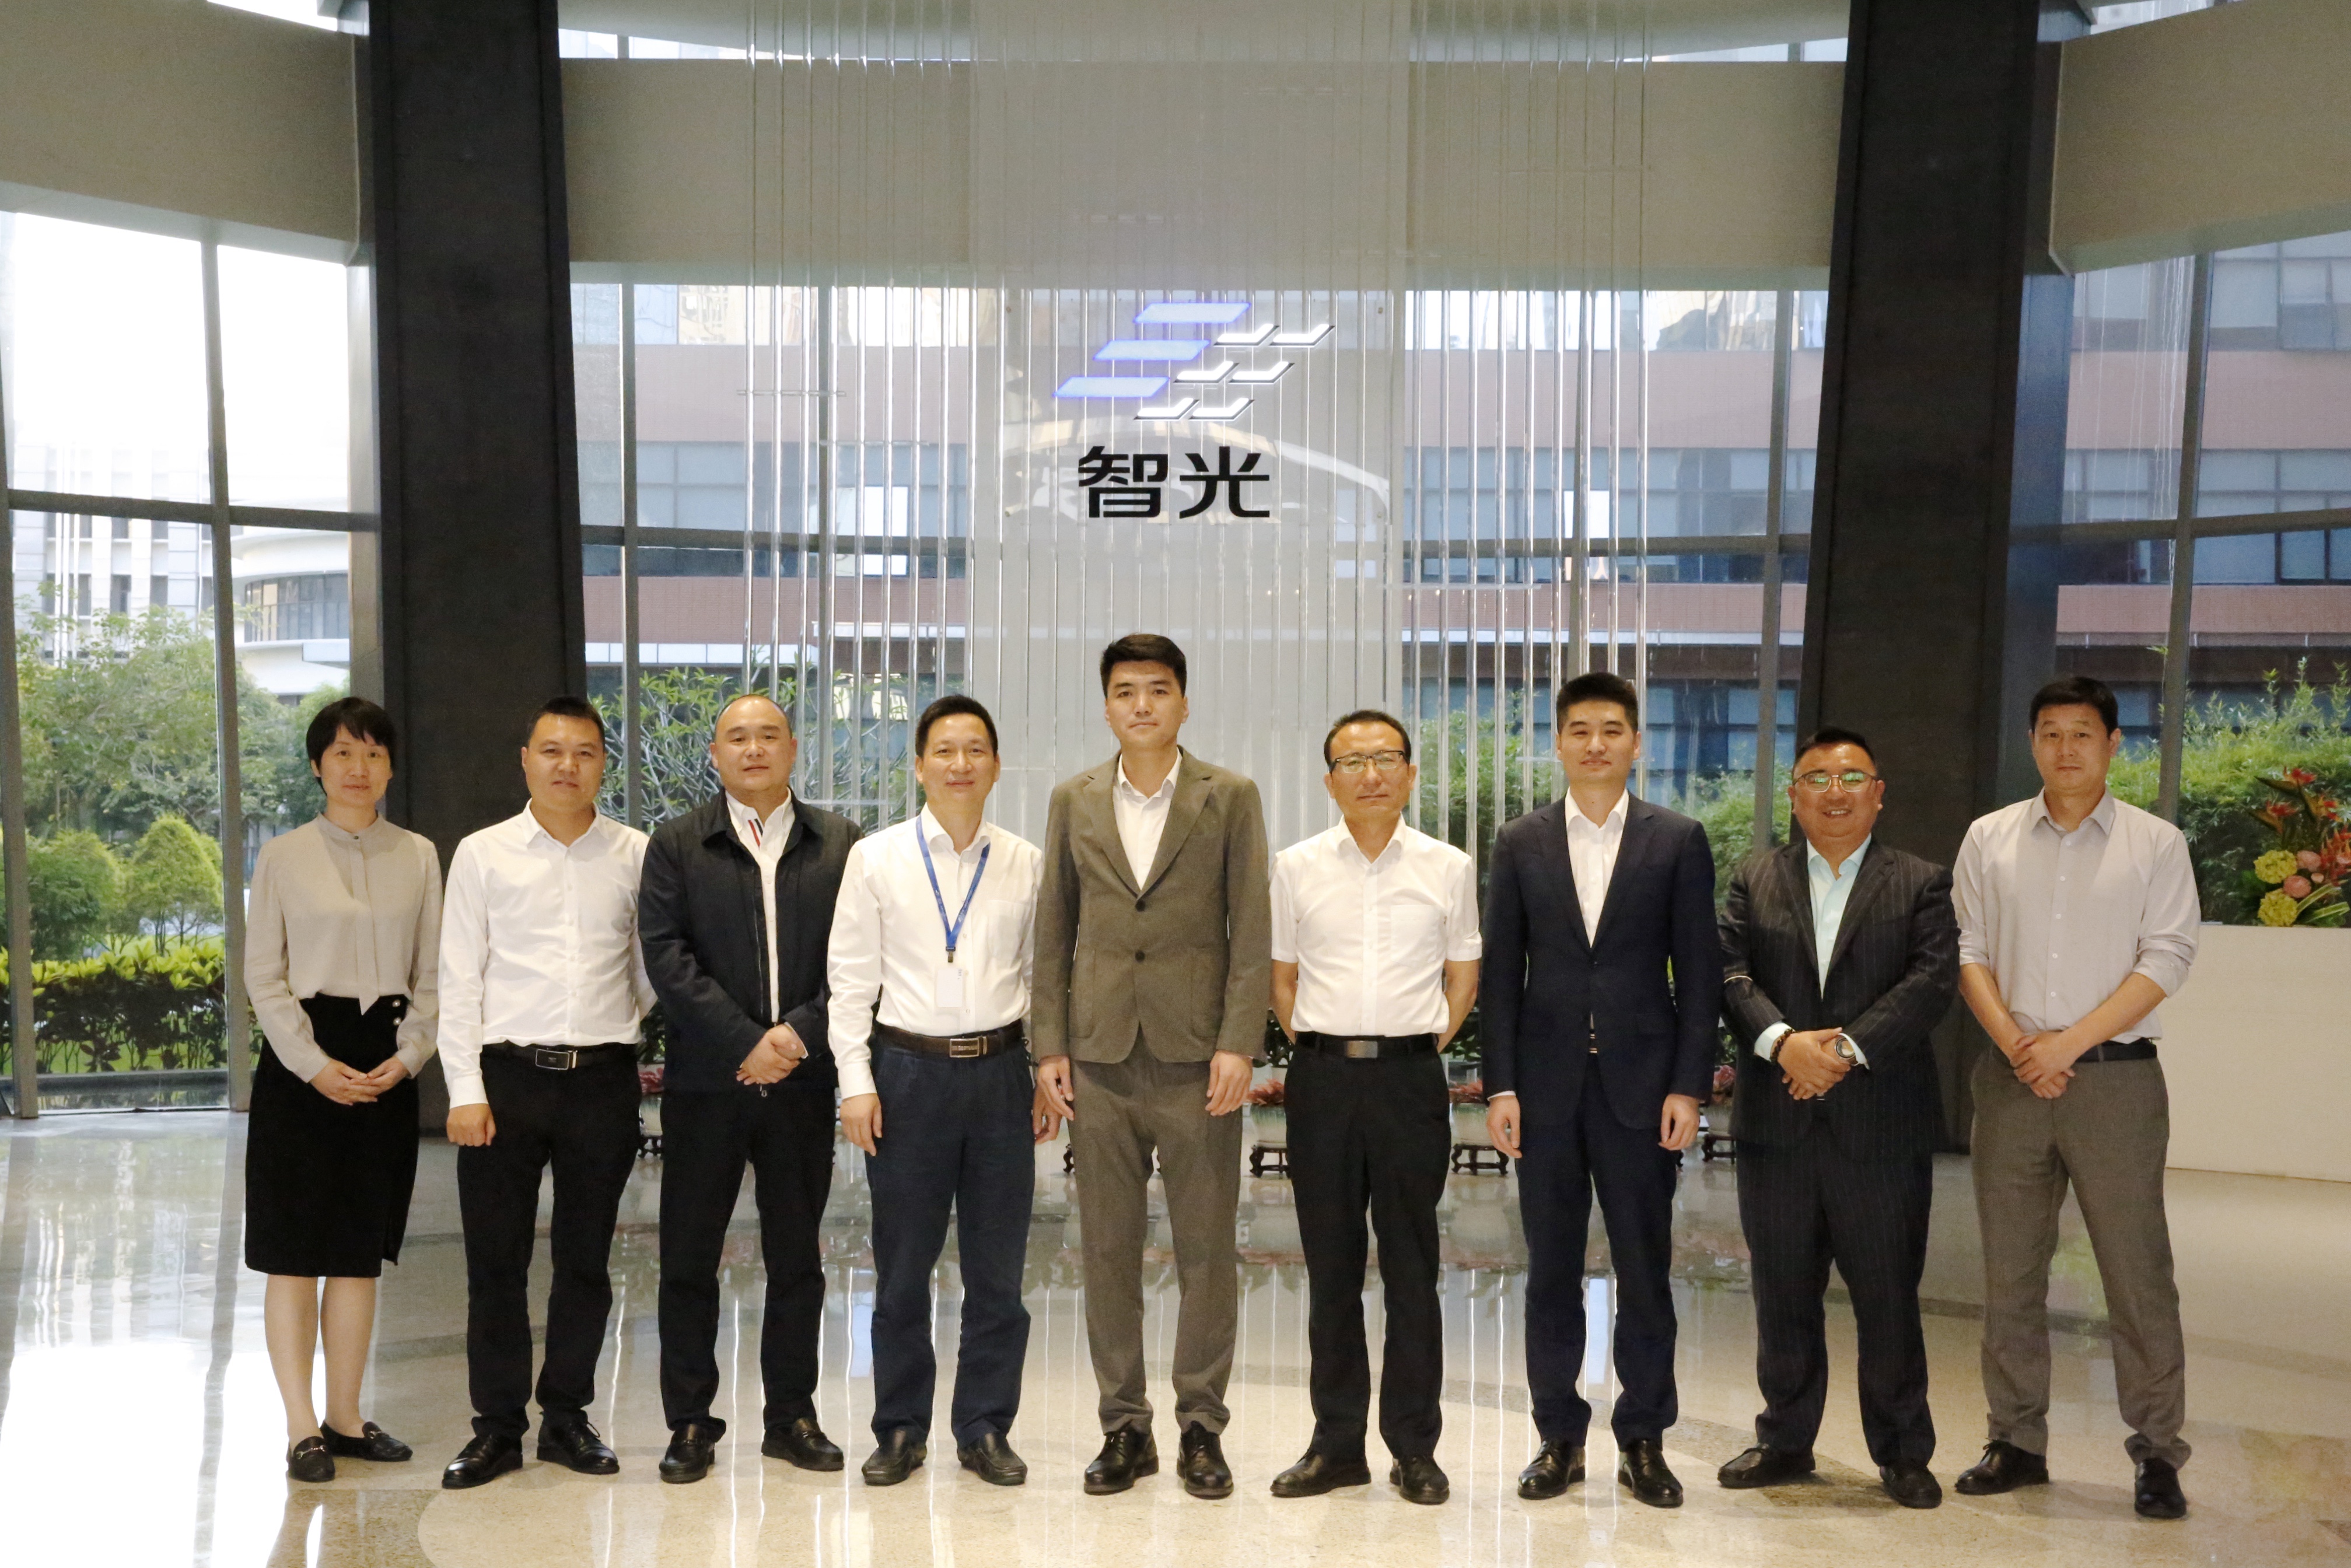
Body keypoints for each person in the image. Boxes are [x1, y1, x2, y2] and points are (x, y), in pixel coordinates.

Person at [1951, 675, 2200, 1521]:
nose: (2066, 748)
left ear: (2113, 744)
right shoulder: (1988, 838)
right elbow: (1968, 951)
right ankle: (2016, 1440)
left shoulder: (2155, 844)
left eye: (2082, 733)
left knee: (2136, 1273)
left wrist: (2067, 1043)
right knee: (2009, 1272)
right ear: (2032, 742)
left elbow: (2166, 958)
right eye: (2051, 732)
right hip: (2011, 1080)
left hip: (2115, 1083)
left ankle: (2157, 1452)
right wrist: (2019, 1046)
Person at [1032, 633, 1272, 1500]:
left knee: (1206, 1250)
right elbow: (1053, 929)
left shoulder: (1229, 796)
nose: (1142, 704)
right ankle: (1123, 1427)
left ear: (1183, 703)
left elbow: (1251, 926)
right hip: (1098, 1055)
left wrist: (1238, 1042)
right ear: (1106, 707)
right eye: (1126, 691)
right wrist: (1048, 1046)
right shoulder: (1073, 799)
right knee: (1107, 1249)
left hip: (1198, 1059)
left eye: (1158, 689)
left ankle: (1201, 1426)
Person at [1481, 669, 1720, 1509]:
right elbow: (1501, 976)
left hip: (1642, 1088)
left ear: (1635, 743)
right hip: (1544, 1089)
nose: (1595, 744)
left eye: (1611, 730)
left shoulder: (1676, 839)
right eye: (1579, 730)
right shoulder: (1519, 841)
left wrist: (1688, 1085)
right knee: (1549, 1271)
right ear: (1558, 743)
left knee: (1645, 1270)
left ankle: (1644, 1439)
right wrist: (1500, 1086)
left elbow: (1699, 973)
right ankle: (1558, 1437)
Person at [1716, 726, 1959, 1508]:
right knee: (1781, 1293)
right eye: (1816, 778)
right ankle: (1785, 1440)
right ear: (1793, 795)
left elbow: (1930, 982)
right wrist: (1784, 1044)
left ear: (1878, 794)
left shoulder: (1920, 882)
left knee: (1888, 1296)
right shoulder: (1754, 878)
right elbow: (1728, 973)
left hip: (1880, 1128)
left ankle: (1902, 1451)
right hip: (1775, 1126)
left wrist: (1844, 1051)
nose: (1834, 791)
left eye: (1851, 777)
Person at [828, 694, 1058, 1489]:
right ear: (920, 765)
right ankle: (899, 1427)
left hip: (999, 1076)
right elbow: (849, 982)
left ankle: (985, 1426)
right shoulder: (877, 858)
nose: (961, 764)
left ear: (995, 766)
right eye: (945, 751)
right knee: (902, 1269)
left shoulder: (1027, 862)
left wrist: (1044, 1068)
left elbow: (1043, 979)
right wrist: (855, 1083)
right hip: (907, 1074)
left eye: (976, 750)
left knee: (998, 1272)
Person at [639, 692, 862, 1484]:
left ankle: (791, 1416)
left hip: (802, 1082)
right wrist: (745, 1042)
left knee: (797, 1257)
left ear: (793, 749)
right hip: (708, 1082)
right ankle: (690, 1421)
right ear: (715, 754)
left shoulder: (840, 843)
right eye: (738, 737)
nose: (754, 749)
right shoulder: (676, 843)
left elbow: (859, 962)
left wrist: (796, 1037)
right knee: (688, 1258)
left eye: (769, 735)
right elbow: (666, 958)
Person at [436, 697, 655, 1488]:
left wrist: (616, 1028)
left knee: (585, 1260)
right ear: (525, 759)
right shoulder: (483, 854)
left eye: (585, 752)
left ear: (604, 764)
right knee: (495, 1263)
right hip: (505, 1081)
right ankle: (497, 1428)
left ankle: (567, 1416)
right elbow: (458, 978)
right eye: (553, 750)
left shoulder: (636, 854)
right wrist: (464, 1088)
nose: (568, 765)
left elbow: (647, 969)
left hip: (601, 1081)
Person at [1266, 710, 1479, 1507]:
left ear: (1410, 774)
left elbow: (1462, 978)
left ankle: (1414, 1449)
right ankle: (1336, 1446)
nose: (1370, 775)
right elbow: (1282, 979)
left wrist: (1411, 1046)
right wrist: (1328, 1048)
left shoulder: (1448, 867)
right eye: (1352, 763)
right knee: (1330, 1269)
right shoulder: (1294, 866)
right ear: (1330, 781)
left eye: (1385, 759)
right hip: (1322, 1081)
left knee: (1412, 1268)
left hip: (1408, 1082)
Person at [244, 696, 442, 1483]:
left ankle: (347, 1417)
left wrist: (412, 1054)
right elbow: (264, 976)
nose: (359, 768)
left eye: (373, 754)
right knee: (294, 1254)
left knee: (358, 1255)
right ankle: (302, 1428)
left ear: (390, 767)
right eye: (342, 754)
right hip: (303, 1066)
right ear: (317, 766)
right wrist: (313, 1064)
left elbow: (434, 973)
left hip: (385, 1062)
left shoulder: (420, 855)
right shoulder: (283, 856)